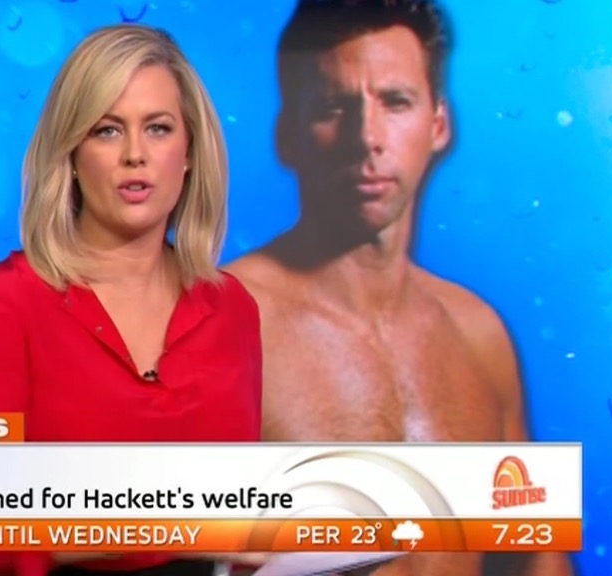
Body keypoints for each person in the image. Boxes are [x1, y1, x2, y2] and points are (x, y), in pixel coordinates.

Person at [224, 1, 574, 575]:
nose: (367, 138)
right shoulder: (221, 323)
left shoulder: (480, 334)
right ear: (287, 134)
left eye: (395, 101)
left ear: (439, 124)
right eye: (333, 107)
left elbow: (537, 558)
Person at [0, 24, 264, 576]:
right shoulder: (0, 304)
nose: (135, 154)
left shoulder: (231, 310)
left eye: (158, 128)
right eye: (107, 131)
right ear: (71, 154)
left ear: (189, 152)